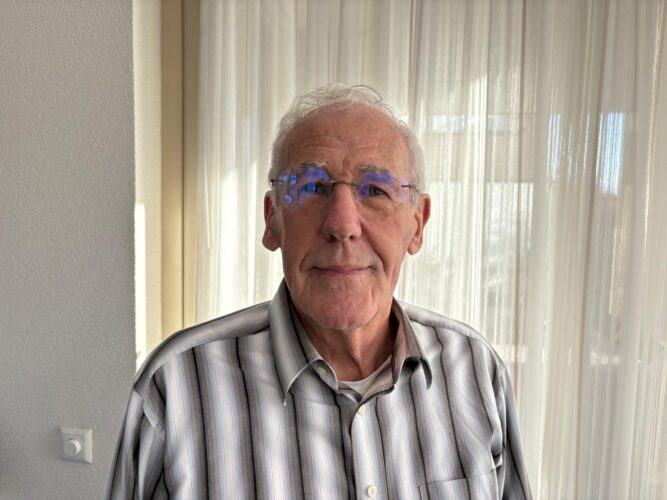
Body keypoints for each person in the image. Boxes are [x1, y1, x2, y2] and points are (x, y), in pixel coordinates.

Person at [107, 83, 532, 499]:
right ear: (272, 220)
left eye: (375, 191)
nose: (342, 224)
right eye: (312, 188)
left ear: (417, 224)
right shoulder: (175, 388)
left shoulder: (477, 371)